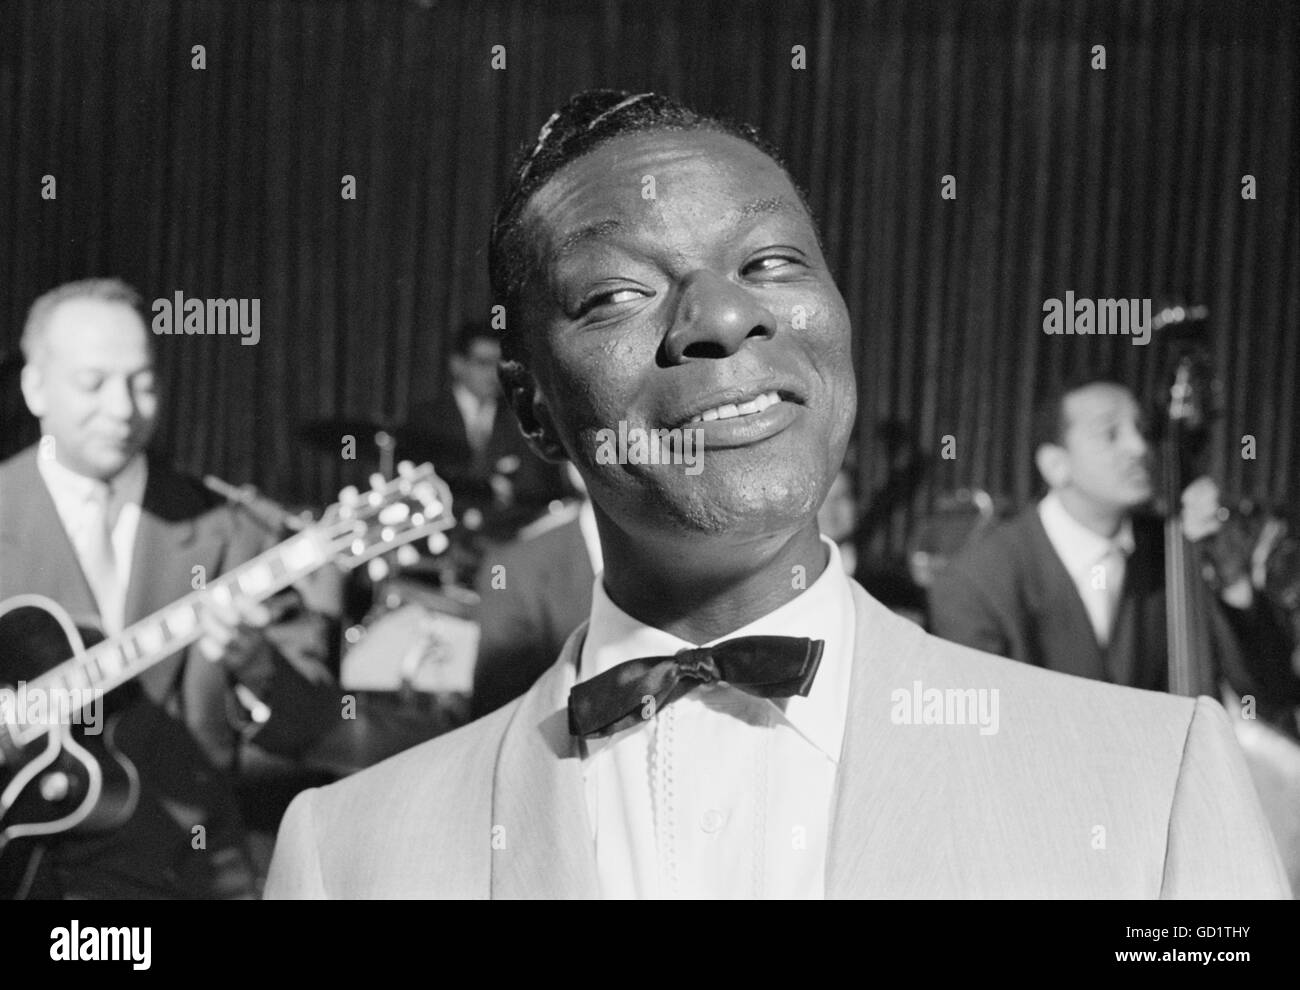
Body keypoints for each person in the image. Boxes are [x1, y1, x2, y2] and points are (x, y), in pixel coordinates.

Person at [265, 91, 1288, 898]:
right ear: (533, 413)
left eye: (770, 260)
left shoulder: (1155, 784)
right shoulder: (346, 856)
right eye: (621, 292)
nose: (721, 313)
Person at [0, 278, 339, 898]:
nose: (125, 408)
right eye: (92, 383)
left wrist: (257, 665)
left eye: (143, 382)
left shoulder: (230, 526)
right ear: (34, 386)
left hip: (192, 871)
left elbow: (313, 723)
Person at [929, 376, 1299, 713]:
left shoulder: (1174, 552)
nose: (1139, 448)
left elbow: (1271, 694)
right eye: (1110, 434)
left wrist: (1233, 581)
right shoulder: (973, 585)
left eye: (1141, 430)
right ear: (1057, 464)